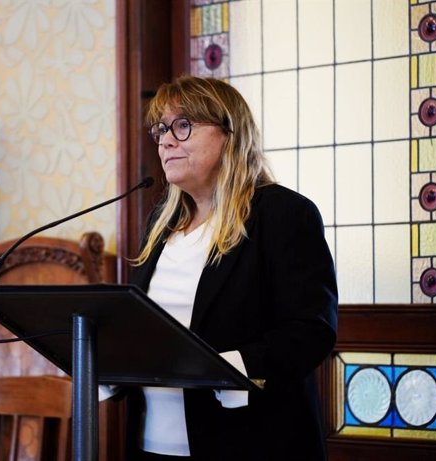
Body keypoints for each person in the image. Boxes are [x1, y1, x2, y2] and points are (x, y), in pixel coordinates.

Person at [124, 75, 338, 461]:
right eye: (160, 130)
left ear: (229, 134)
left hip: (249, 442)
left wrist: (225, 368)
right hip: (151, 443)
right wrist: (107, 365)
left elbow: (312, 330)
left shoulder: (283, 214)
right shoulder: (162, 224)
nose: (165, 140)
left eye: (183, 126)